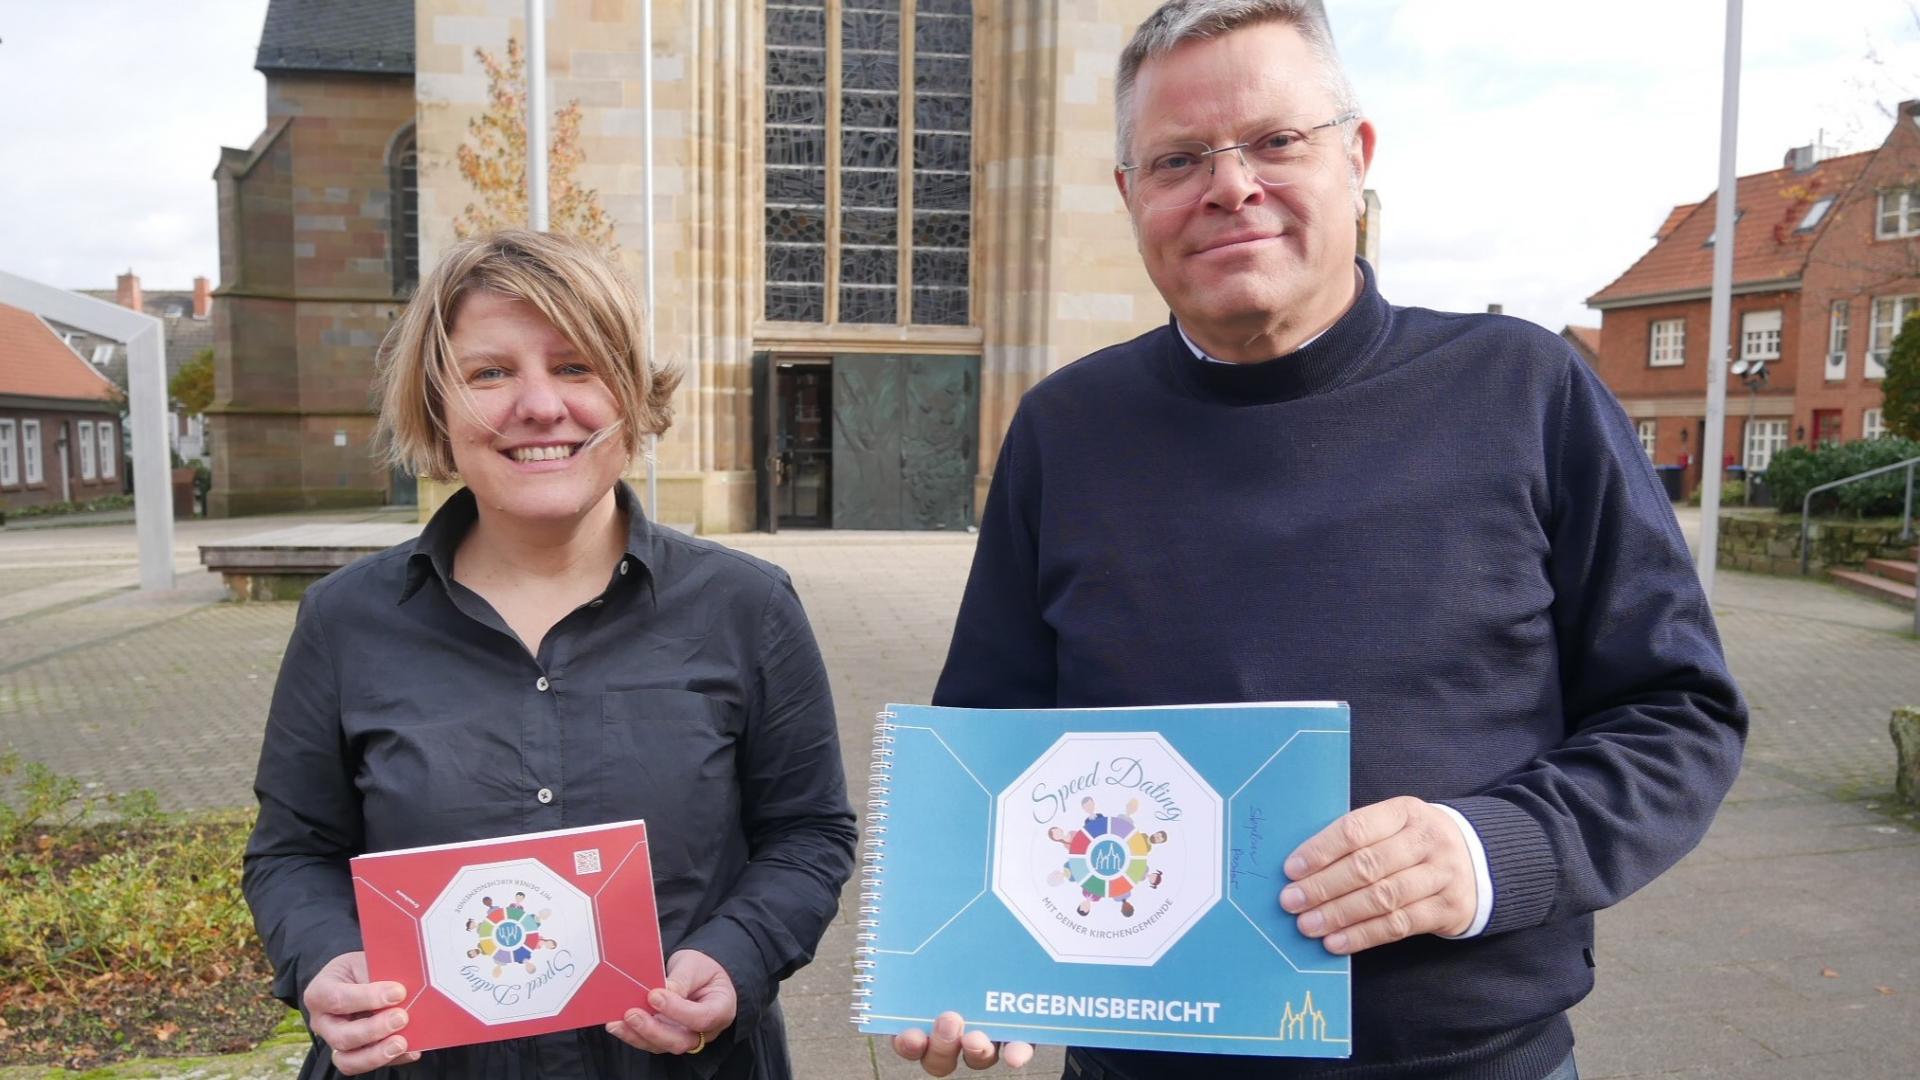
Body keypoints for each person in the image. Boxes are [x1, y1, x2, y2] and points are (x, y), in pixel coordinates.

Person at [890, 2, 1746, 1078]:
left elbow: (1680, 713)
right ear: (1129, 196)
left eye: (1277, 141)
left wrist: (1492, 852)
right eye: (1178, 158)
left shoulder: (1524, 389)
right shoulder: (1067, 430)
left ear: (1358, 156)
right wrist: (975, 965)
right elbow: (989, 748)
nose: (1230, 185)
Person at [242, 230, 857, 1078]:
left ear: (632, 396)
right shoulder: (346, 621)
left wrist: (738, 952)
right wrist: (324, 957)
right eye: (490, 372)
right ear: (438, 403)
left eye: (575, 367)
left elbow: (808, 833)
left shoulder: (747, 607)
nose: (538, 406)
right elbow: (293, 852)